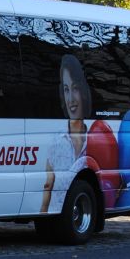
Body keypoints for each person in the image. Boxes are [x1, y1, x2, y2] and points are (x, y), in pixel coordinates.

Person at [39, 53, 91, 214]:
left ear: (83, 91)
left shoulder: (97, 140)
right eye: (66, 90)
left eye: (75, 88)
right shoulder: (55, 143)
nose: (71, 99)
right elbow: (47, 188)